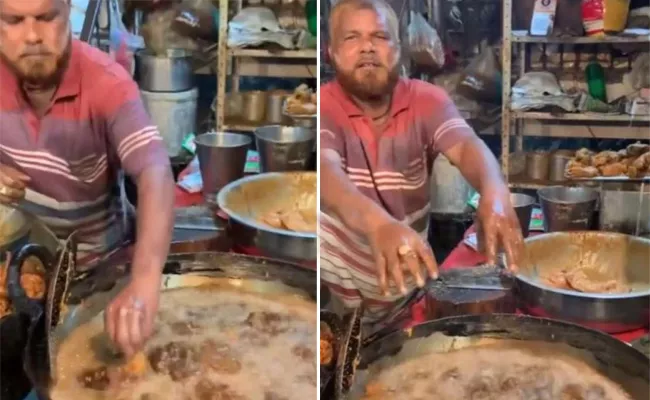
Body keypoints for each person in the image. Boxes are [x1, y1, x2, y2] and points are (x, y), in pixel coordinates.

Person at [320, 0, 525, 323]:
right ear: (330, 52)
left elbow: (467, 146)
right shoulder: (324, 106)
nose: (367, 48)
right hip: (331, 296)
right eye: (352, 38)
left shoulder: (426, 99)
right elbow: (326, 176)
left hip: (404, 292)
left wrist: (495, 191)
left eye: (380, 36)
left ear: (398, 49)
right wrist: (379, 225)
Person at [0, 0, 175, 357]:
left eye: (46, 17)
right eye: (14, 21)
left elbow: (154, 169)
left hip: (97, 277)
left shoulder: (106, 83)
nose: (32, 36)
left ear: (67, 9)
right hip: (18, 272)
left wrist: (144, 280)